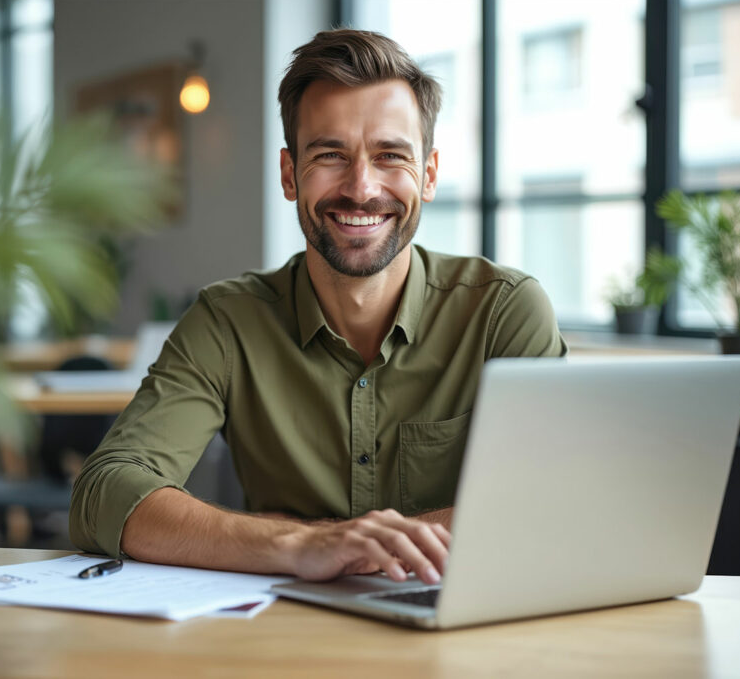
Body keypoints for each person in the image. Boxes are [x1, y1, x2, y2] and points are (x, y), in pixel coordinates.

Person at [70, 29, 566, 586]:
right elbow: (106, 492)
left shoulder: (504, 312)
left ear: (427, 175)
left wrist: (362, 549)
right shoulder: (227, 322)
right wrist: (303, 543)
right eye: (330, 155)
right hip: (282, 639)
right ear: (289, 174)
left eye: (390, 156)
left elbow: (551, 498)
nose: (361, 187)